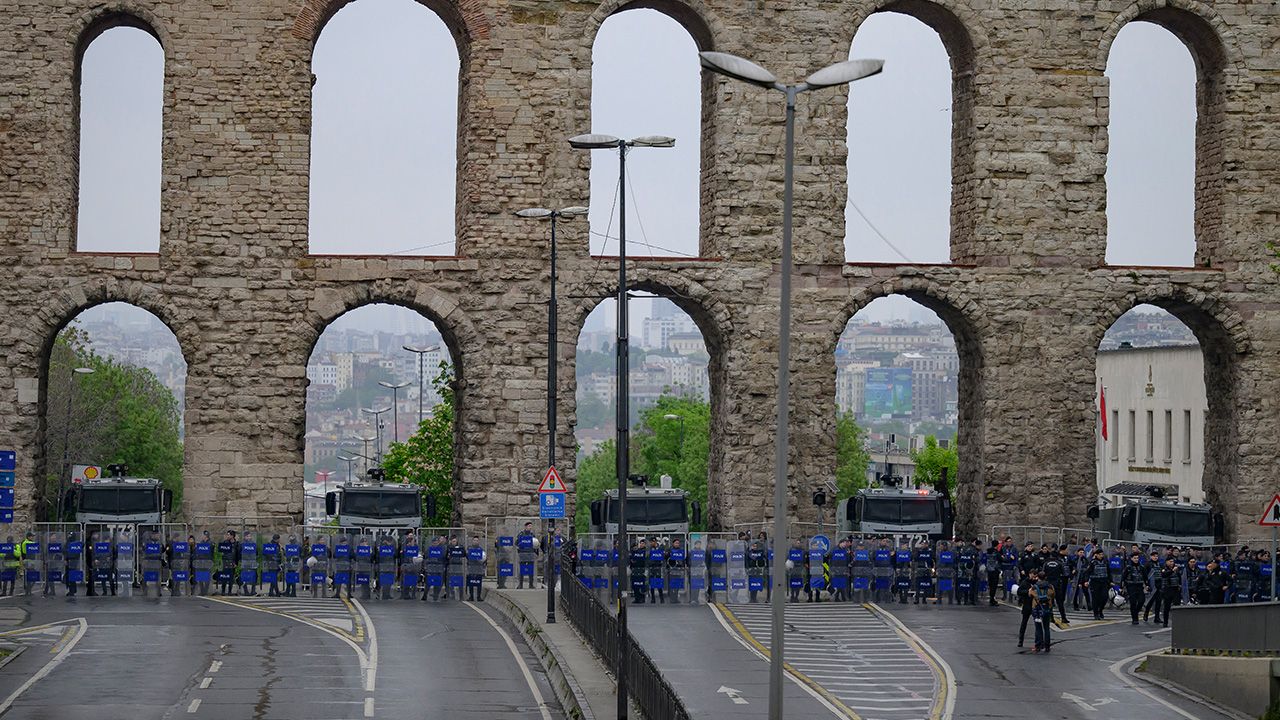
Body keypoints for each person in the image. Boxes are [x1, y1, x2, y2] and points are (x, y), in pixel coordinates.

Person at [1041, 546, 1067, 625]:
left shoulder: (1046, 563)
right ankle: (1063, 618)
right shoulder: (1059, 563)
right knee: (1060, 602)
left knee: (1050, 602)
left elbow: (1042, 573)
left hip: (1049, 584)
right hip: (1057, 584)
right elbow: (1064, 573)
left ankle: (1051, 617)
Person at [1083, 549, 1110, 620]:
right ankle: (1096, 614)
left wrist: (1110, 581)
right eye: (1100, 554)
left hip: (1104, 582)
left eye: (1102, 554)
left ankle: (1100, 610)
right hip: (1095, 582)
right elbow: (1087, 572)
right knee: (1095, 599)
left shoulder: (1105, 562)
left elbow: (1109, 572)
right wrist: (1086, 581)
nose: (1101, 556)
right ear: (1096, 555)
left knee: (1104, 597)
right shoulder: (1093, 563)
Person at [1032, 572, 1055, 652]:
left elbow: (1029, 594)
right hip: (1047, 608)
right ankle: (1047, 646)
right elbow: (1053, 595)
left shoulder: (1034, 587)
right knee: (1046, 627)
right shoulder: (1050, 587)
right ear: (1045, 577)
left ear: (1038, 577)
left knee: (1038, 627)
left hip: (1037, 608)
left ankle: (1038, 645)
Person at [1121, 552, 1146, 625]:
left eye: (1137, 558)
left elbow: (1145, 577)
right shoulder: (1128, 567)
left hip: (1139, 585)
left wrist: (1147, 585)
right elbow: (1123, 577)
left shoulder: (1141, 567)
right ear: (1131, 558)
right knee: (1133, 602)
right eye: (1134, 558)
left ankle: (1136, 612)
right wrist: (1122, 587)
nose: (1136, 559)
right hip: (1131, 586)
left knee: (1142, 600)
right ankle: (1134, 618)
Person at [1158, 557, 1181, 627]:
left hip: (1175, 589)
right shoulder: (1164, 568)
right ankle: (1165, 622)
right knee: (1167, 607)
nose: (1172, 563)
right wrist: (1172, 571)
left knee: (1177, 605)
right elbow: (1164, 575)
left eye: (1172, 562)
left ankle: (1177, 622)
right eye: (1170, 562)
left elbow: (1179, 577)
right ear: (1167, 562)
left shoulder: (1176, 569)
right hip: (1167, 589)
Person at [1017, 570, 1035, 648]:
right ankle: (1020, 640)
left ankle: (1038, 642)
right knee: (1024, 623)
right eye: (1033, 575)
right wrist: (1027, 592)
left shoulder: (1037, 582)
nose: (1034, 577)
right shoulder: (1025, 582)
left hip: (1035, 605)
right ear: (1029, 574)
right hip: (1027, 604)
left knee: (1037, 624)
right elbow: (1019, 591)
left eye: (1035, 575)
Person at [986, 540, 1002, 606]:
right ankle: (992, 599)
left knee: (990, 585)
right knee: (994, 586)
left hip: (989, 570)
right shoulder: (996, 552)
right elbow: (1001, 559)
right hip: (995, 570)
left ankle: (991, 598)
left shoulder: (988, 551)